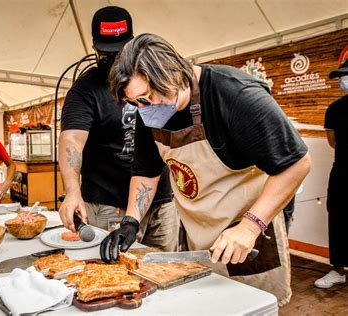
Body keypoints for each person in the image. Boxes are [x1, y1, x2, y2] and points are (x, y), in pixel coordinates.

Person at [102, 33, 311, 305]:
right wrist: (131, 222)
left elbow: (297, 163)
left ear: (173, 72)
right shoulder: (149, 112)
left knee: (249, 308)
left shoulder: (235, 94)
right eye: (137, 102)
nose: (144, 107)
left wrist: (250, 227)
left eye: (148, 96)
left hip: (248, 233)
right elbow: (146, 170)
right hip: (198, 234)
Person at [58, 7, 179, 252]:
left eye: (121, 50)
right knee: (113, 276)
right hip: (109, 205)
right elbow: (71, 140)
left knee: (165, 272)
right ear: (95, 48)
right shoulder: (85, 89)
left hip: (161, 200)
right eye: (107, 52)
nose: (113, 58)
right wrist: (72, 191)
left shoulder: (149, 78)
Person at [314, 60, 348, 288]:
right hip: (343, 173)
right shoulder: (335, 109)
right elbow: (333, 142)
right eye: (340, 78)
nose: (342, 81)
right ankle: (338, 270)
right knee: (338, 218)